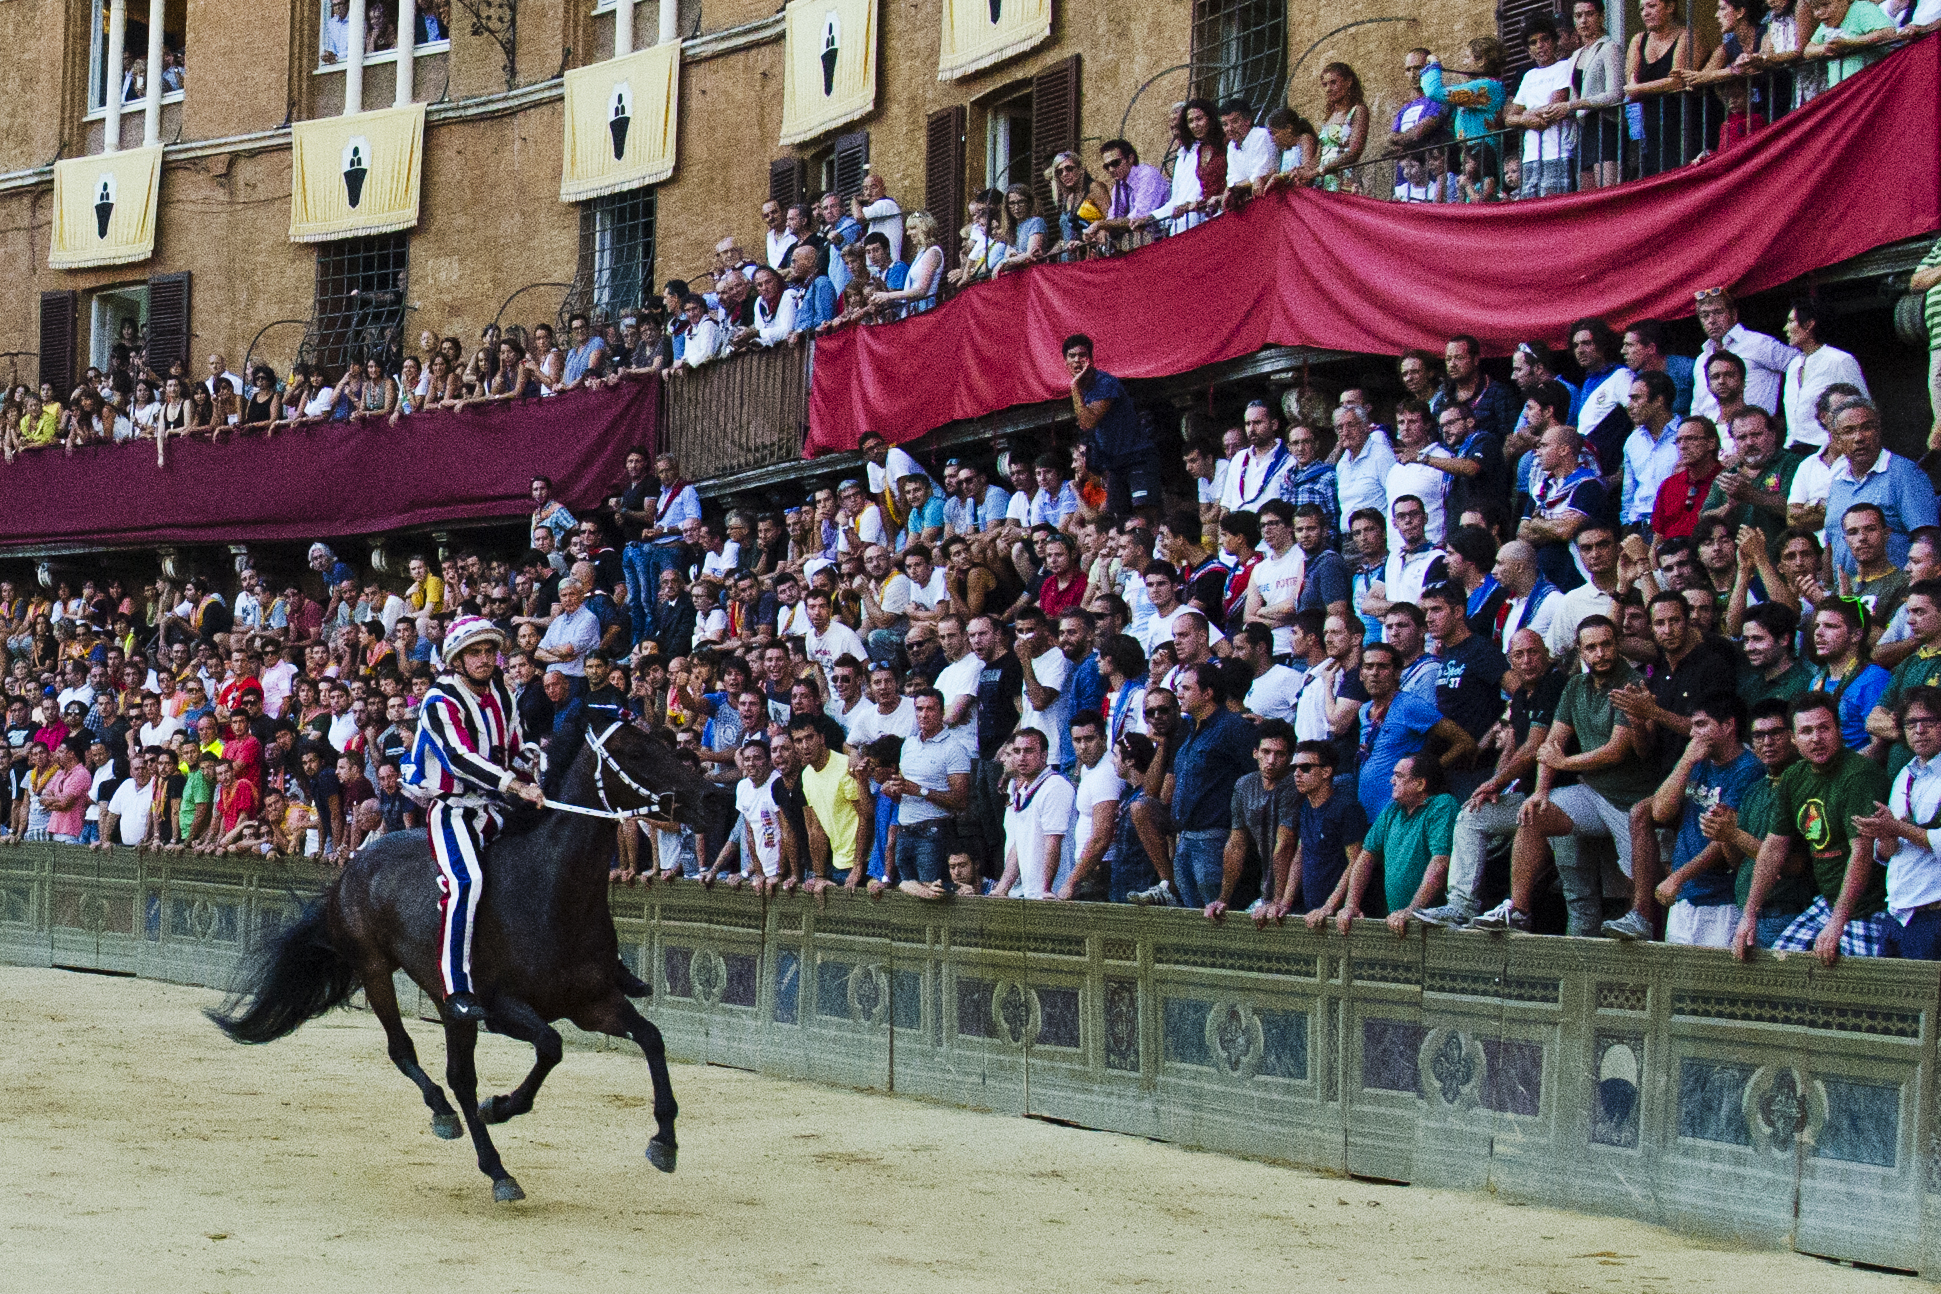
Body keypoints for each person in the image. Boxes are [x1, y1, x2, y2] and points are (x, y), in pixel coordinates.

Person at [401, 616, 542, 1022]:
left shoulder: (503, 689)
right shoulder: (439, 699)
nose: (484, 659)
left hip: (498, 805)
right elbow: (460, 760)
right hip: (454, 809)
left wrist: (534, 769)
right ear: (457, 659)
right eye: (474, 653)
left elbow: (517, 741)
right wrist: (516, 785)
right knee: (466, 883)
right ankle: (456, 988)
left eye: (489, 651)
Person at [1481, 616, 1657, 934]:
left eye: (1606, 644)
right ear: (1580, 651)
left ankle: (1641, 927)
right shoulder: (1575, 685)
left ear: (1617, 645)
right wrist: (1541, 791)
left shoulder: (1630, 683)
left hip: (1630, 800)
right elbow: (1552, 743)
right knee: (1534, 813)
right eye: (1591, 647)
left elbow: (1615, 751)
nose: (1600, 653)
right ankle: (1517, 909)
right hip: (1592, 792)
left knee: (1639, 888)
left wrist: (1563, 764)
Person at [1732, 694, 1893, 965]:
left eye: (1824, 728)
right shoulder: (1794, 777)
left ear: (1839, 731)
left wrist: (1836, 924)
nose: (1816, 738)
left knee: (1861, 993)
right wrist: (1749, 914)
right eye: (1806, 731)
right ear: (1794, 739)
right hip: (1827, 903)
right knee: (1779, 969)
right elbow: (1773, 848)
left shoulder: (1859, 775)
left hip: (1869, 908)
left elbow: (1862, 853)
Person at [1616, 692, 1764, 947]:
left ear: (1728, 726)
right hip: (1686, 896)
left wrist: (1678, 877)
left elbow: (1724, 836)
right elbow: (1660, 812)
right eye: (1693, 725)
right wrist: (1685, 762)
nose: (1693, 733)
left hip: (1721, 898)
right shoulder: (1697, 760)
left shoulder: (1748, 769)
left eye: (1701, 725)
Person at [1165, 663, 1257, 910]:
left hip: (1215, 838)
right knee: (1194, 917)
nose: (1179, 694)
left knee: (1217, 915)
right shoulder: (1190, 730)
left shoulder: (1234, 727)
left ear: (1207, 693)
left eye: (1186, 688)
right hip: (1186, 838)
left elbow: (1257, 776)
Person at [1352, 641, 1475, 821]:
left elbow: (1464, 742)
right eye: (1369, 667)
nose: (1375, 673)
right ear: (1361, 673)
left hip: (1400, 812)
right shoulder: (1364, 710)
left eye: (1383, 667)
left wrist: (1427, 772)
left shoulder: (1410, 705)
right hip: (1368, 812)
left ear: (1397, 673)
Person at [1335, 755, 1458, 935]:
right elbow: (1366, 856)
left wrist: (1412, 910)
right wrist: (1351, 905)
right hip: (1399, 921)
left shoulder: (1442, 805)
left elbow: (1441, 863)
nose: (1392, 781)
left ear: (1420, 784)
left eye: (1399, 776)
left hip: (1436, 928)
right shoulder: (1392, 809)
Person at [1825, 401, 1939, 576]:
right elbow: (1832, 544)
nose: (1859, 437)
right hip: (1848, 597)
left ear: (1879, 431)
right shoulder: (1837, 483)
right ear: (1837, 440)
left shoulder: (1905, 474)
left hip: (1897, 595)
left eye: (1867, 428)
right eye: (1849, 431)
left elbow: (1927, 539)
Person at [1869, 687, 1941, 958]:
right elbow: (1888, 854)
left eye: (1929, 721)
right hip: (1897, 913)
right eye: (1911, 723)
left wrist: (1898, 828)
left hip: (1932, 915)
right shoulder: (1904, 774)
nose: (1919, 730)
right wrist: (1884, 835)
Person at [1064, 334, 1154, 516]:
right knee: (1118, 517)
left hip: (1136, 457)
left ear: (1091, 359)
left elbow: (1087, 422)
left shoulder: (1104, 383)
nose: (1077, 360)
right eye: (1072, 356)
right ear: (1065, 361)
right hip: (1114, 463)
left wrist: (1074, 387)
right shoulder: (1084, 389)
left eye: (1082, 355)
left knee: (1145, 513)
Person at [1781, 298, 1870, 454]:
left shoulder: (1839, 361)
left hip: (1826, 451)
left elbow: (1864, 407)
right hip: (1793, 451)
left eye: (1790, 321)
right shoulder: (1794, 365)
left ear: (1809, 324)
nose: (1785, 328)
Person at [995, 728, 1074, 900]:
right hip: (1030, 893)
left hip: (1054, 894)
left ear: (1044, 755)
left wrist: (1046, 889)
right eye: (1017, 751)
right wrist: (1002, 888)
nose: (1022, 757)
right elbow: (1019, 845)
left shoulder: (1055, 786)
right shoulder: (1022, 791)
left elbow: (1053, 840)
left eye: (1029, 751)